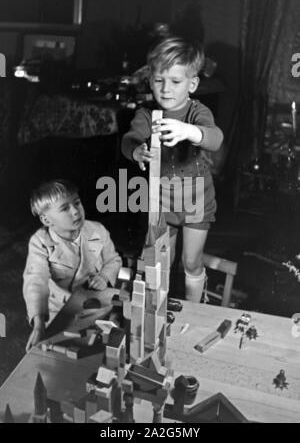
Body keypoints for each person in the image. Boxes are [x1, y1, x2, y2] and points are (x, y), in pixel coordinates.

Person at [121, 36, 223, 303]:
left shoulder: (197, 112)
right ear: (150, 80)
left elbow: (215, 138)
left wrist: (187, 131)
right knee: (160, 261)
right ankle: (160, 309)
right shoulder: (147, 115)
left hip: (196, 202)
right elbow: (128, 140)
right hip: (162, 202)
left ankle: (193, 306)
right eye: (158, 80)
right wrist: (135, 151)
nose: (166, 89)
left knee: (190, 262)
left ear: (192, 84)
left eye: (175, 81)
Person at [23, 179, 122, 351]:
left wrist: (104, 276)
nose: (75, 211)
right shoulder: (40, 242)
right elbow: (35, 282)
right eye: (64, 208)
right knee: (59, 356)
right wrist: (39, 324)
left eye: (77, 203)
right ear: (46, 220)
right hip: (58, 311)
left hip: (94, 303)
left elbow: (113, 260)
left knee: (101, 349)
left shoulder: (97, 229)